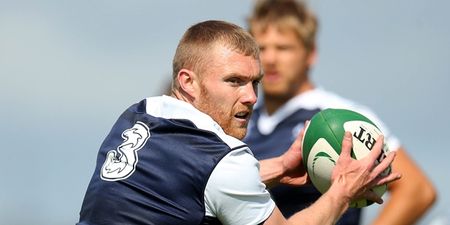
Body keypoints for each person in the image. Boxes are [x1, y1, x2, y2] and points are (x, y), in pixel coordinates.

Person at [77, 20, 400, 225]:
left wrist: (280, 166)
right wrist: (343, 190)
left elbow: (193, 182)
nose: (251, 97)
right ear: (188, 82)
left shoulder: (138, 118)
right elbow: (217, 176)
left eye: (254, 82)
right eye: (234, 81)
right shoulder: (224, 160)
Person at [244, 1, 436, 225]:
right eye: (261, 48)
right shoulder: (241, 119)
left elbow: (417, 190)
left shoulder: (340, 117)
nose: (270, 59)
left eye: (283, 48)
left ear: (310, 53)